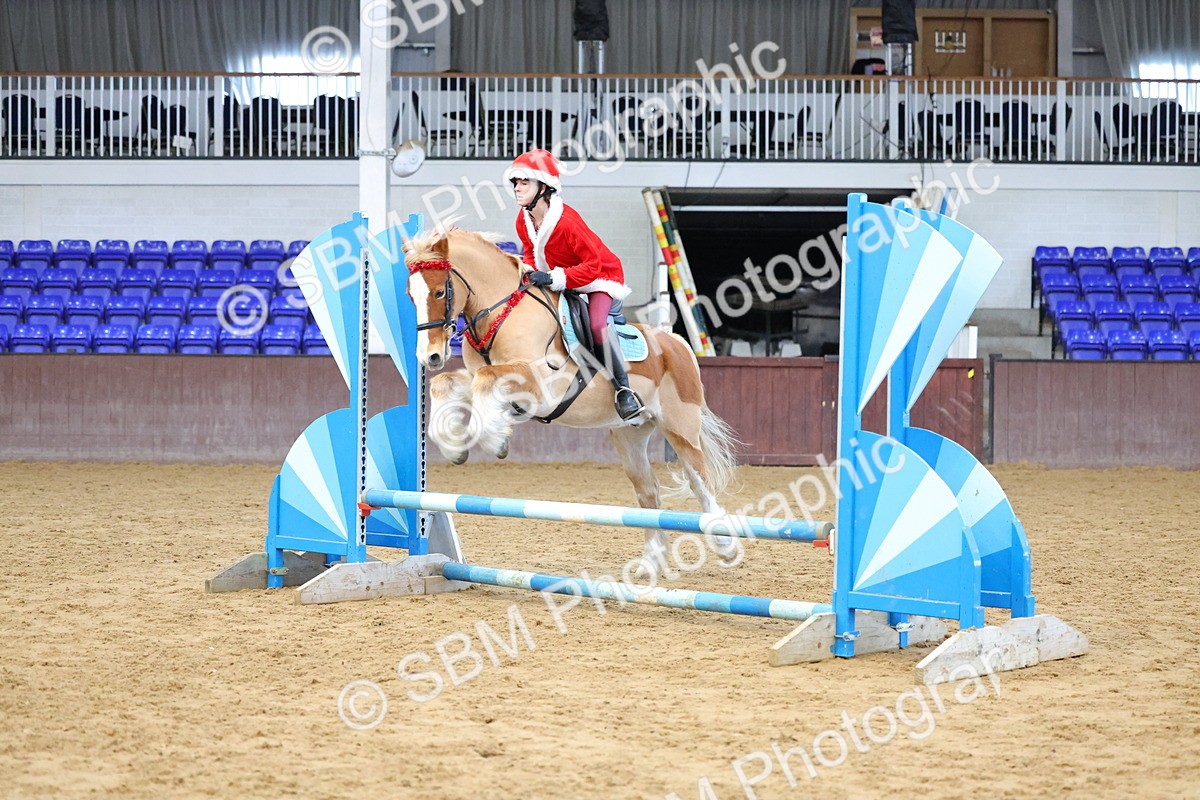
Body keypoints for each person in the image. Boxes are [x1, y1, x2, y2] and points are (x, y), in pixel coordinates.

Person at [504, 149, 645, 421]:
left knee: (596, 324)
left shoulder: (567, 222)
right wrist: (531, 273)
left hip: (601, 278)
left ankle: (624, 390)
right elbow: (530, 253)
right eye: (516, 183)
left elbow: (593, 265)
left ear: (543, 187)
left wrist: (553, 278)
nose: (517, 188)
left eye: (524, 182)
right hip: (563, 279)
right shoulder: (523, 220)